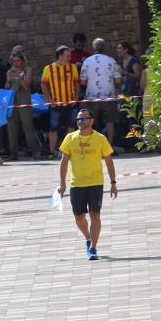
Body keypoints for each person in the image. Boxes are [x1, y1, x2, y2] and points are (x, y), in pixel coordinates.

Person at [57, 108, 118, 260]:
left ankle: (93, 248)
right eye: (78, 119)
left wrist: (113, 182)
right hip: (77, 184)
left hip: (96, 182)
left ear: (91, 121)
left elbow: (109, 162)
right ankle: (88, 238)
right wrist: (62, 184)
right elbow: (63, 162)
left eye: (83, 119)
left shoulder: (100, 138)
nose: (80, 122)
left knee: (95, 215)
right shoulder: (70, 138)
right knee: (79, 217)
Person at [80, 38, 123, 148]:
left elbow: (83, 82)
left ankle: (92, 146)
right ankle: (109, 147)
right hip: (109, 96)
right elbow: (118, 81)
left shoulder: (87, 61)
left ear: (94, 48)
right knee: (110, 122)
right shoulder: (111, 61)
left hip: (91, 97)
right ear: (105, 47)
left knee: (90, 122)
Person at [42, 45, 80, 159]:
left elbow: (77, 83)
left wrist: (77, 97)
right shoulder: (49, 68)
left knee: (72, 126)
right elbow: (43, 84)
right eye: (67, 56)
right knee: (53, 128)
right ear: (60, 56)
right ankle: (52, 152)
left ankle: (68, 150)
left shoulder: (73, 67)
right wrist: (50, 100)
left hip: (71, 103)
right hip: (56, 104)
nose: (70, 58)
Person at [5, 51, 40, 160]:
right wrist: (8, 80)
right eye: (14, 61)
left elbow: (26, 86)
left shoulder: (27, 70)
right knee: (11, 127)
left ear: (22, 60)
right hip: (12, 102)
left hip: (24, 100)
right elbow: (6, 88)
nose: (16, 63)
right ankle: (13, 152)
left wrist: (19, 77)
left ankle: (35, 151)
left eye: (18, 61)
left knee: (28, 125)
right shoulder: (9, 71)